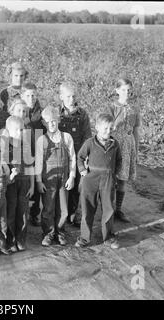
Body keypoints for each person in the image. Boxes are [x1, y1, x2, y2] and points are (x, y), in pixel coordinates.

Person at [75, 113, 122, 249]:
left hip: (108, 180)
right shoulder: (89, 143)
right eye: (105, 128)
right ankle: (84, 238)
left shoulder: (115, 144)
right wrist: (83, 171)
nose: (108, 131)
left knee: (108, 209)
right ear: (97, 128)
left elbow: (119, 161)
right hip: (90, 180)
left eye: (110, 128)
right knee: (87, 209)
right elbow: (80, 157)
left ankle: (107, 237)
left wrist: (115, 175)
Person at [35, 107, 76, 246]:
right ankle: (48, 233)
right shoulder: (42, 140)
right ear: (44, 123)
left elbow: (72, 158)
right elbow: (38, 162)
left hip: (64, 178)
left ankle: (60, 232)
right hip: (49, 180)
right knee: (48, 207)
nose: (51, 124)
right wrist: (39, 181)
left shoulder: (67, 137)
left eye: (54, 121)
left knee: (63, 208)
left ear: (58, 120)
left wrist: (72, 176)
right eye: (48, 122)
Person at [58, 82, 92, 227]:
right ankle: (61, 213)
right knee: (63, 184)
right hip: (61, 155)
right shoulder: (57, 113)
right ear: (61, 97)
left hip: (78, 154)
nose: (71, 99)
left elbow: (87, 136)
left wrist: (86, 156)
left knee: (77, 184)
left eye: (74, 96)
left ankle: (74, 213)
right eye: (68, 96)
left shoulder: (82, 114)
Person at [108, 78, 141, 223]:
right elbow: (106, 128)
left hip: (128, 144)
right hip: (114, 143)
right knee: (111, 177)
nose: (126, 93)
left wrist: (137, 151)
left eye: (128, 90)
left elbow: (136, 130)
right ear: (117, 90)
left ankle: (118, 209)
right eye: (123, 90)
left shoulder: (135, 108)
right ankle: (107, 208)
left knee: (122, 178)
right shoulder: (112, 107)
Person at [4, 116, 35, 252]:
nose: (19, 133)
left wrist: (32, 185)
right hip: (11, 184)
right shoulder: (5, 147)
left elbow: (30, 166)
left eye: (21, 130)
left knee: (23, 212)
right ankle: (10, 240)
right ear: (8, 130)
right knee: (11, 212)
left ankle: (21, 238)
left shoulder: (26, 146)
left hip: (24, 183)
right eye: (16, 130)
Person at [21, 83, 46, 226]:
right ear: (23, 96)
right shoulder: (20, 111)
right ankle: (24, 210)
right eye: (28, 95)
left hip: (37, 152)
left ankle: (35, 213)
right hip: (23, 151)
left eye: (33, 95)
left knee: (37, 181)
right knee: (24, 180)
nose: (31, 98)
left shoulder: (41, 112)